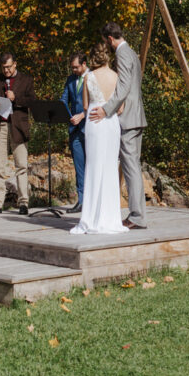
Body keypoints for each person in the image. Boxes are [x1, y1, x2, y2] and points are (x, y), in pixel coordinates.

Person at [89, 21, 147, 229]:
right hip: (137, 115)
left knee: (131, 167)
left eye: (107, 41)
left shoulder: (122, 54)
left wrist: (106, 109)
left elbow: (123, 88)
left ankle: (137, 216)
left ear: (110, 39)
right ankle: (137, 214)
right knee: (134, 167)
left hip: (128, 117)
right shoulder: (132, 52)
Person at [69, 40, 128, 235]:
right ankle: (110, 218)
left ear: (93, 57)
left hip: (94, 123)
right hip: (111, 123)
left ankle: (91, 218)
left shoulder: (89, 77)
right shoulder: (116, 77)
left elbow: (86, 106)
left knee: (93, 167)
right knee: (110, 167)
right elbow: (120, 108)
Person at [0, 51, 35, 215]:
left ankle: (23, 203)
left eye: (8, 67)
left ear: (15, 64)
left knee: (21, 165)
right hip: (1, 125)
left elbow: (32, 101)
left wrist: (16, 98)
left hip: (18, 126)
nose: (6, 71)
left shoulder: (26, 80)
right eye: (3, 67)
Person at [60, 52, 88, 213]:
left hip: (90, 127)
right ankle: (81, 200)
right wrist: (67, 115)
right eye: (72, 68)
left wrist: (82, 115)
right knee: (79, 168)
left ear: (84, 64)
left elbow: (98, 102)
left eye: (76, 67)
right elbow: (64, 100)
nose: (74, 70)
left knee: (93, 166)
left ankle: (93, 202)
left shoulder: (93, 77)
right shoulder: (71, 79)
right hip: (75, 130)